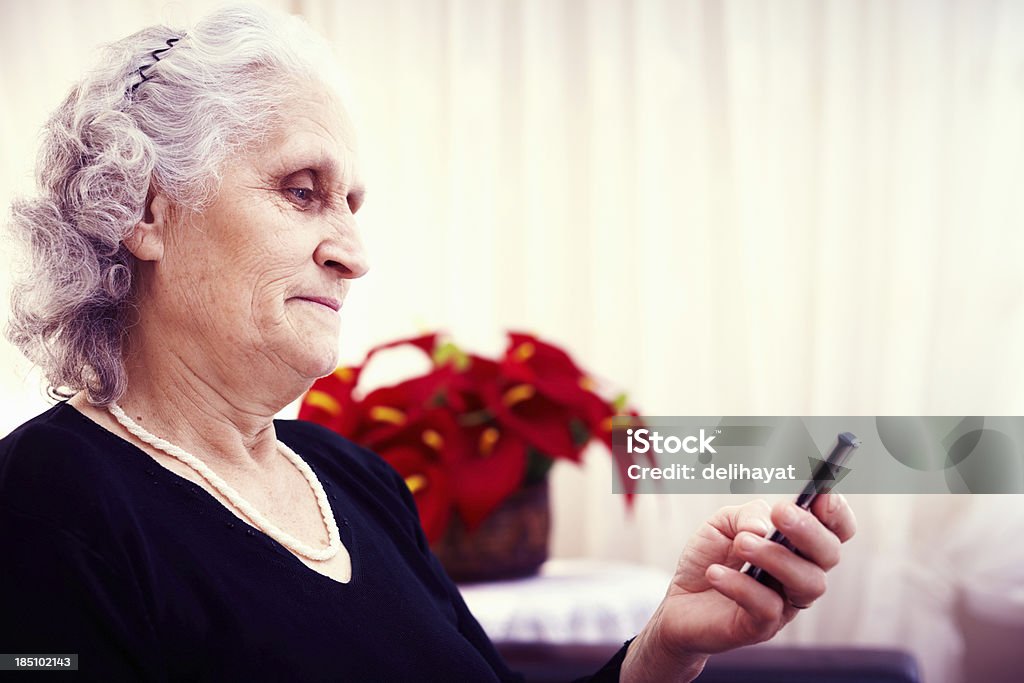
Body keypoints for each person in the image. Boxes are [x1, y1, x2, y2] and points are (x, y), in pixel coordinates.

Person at [0, 5, 856, 681]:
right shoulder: (46, 501)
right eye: (303, 192)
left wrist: (666, 646)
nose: (354, 253)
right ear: (146, 209)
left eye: (353, 205)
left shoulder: (351, 480)